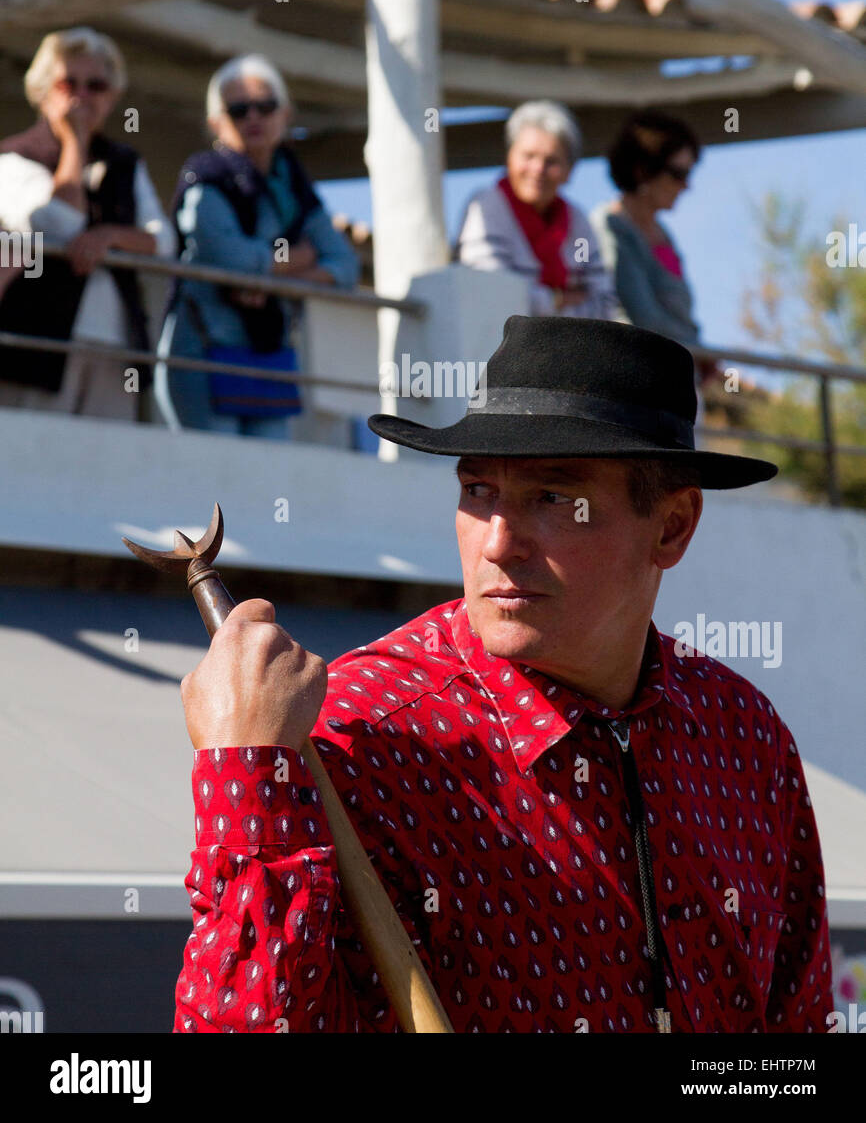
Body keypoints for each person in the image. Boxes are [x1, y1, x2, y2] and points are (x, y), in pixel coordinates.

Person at [173, 316, 832, 1034]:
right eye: (479, 490)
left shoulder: (744, 737)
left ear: (671, 527)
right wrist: (245, 775)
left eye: (553, 499)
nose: (499, 543)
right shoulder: (353, 740)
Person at [155, 54, 359, 439]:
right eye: (238, 109)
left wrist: (270, 279)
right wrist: (301, 258)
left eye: (265, 107)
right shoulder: (205, 178)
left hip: (267, 353)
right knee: (214, 480)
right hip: (203, 349)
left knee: (268, 481)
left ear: (285, 114)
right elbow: (232, 260)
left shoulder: (295, 188)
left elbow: (345, 265)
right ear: (216, 121)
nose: (254, 117)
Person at [0, 28, 175, 419]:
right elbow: (59, 223)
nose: (82, 96)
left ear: (112, 97)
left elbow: (163, 240)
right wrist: (74, 144)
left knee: (103, 469)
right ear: (44, 90)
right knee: (31, 463)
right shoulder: (13, 157)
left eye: (96, 85)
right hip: (34, 347)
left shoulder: (126, 162)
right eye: (67, 83)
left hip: (114, 346)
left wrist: (110, 236)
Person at [455, 101, 616, 319]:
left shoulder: (578, 221)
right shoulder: (487, 206)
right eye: (528, 156)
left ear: (569, 171)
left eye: (551, 161)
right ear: (509, 158)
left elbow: (604, 304)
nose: (538, 169)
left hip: (569, 349)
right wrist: (557, 299)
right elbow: (492, 293)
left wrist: (531, 299)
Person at [589, 108, 701, 348]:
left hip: (679, 365)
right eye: (678, 174)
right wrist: (697, 350)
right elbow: (640, 317)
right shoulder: (609, 227)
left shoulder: (664, 234)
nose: (686, 185)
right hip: (635, 368)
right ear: (642, 170)